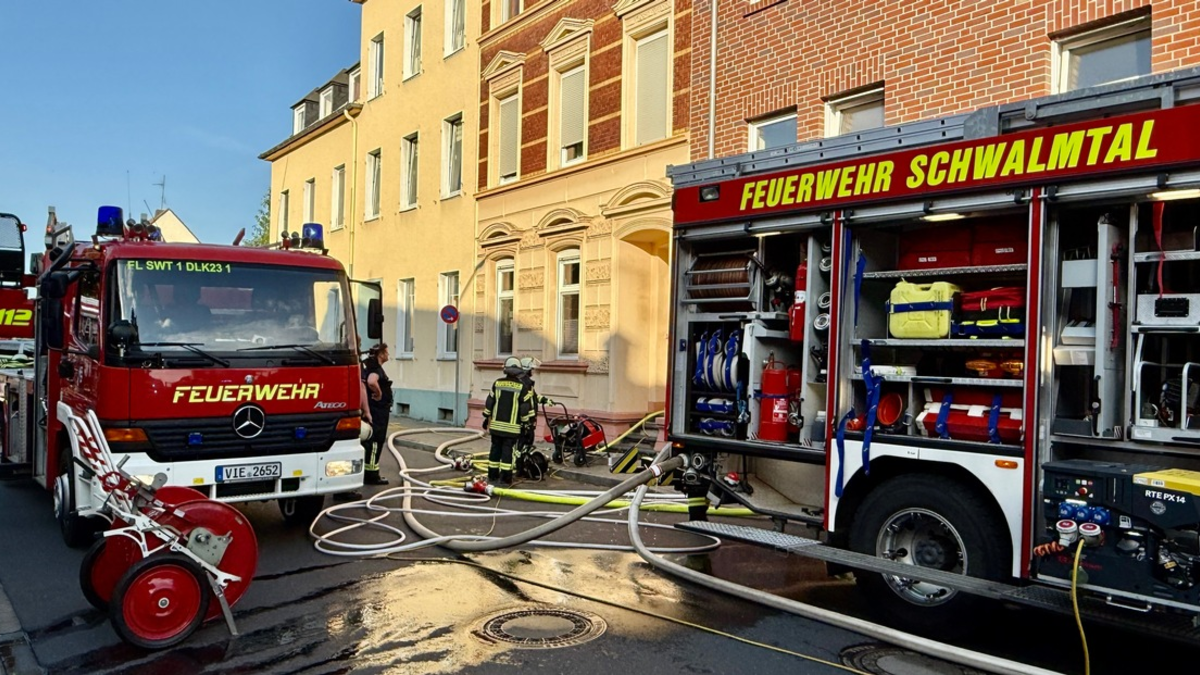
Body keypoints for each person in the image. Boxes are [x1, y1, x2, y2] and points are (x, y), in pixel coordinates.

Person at [482, 356, 535, 486]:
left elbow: (490, 402)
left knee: (494, 451)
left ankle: (492, 477)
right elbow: (524, 409)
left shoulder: (497, 383)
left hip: (495, 426)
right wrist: (526, 424)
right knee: (507, 452)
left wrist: (485, 417)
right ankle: (505, 479)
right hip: (511, 429)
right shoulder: (521, 387)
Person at [360, 343, 393, 485]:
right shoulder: (375, 369)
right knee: (376, 440)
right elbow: (372, 381)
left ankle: (368, 472)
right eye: (387, 352)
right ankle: (372, 475)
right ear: (381, 354)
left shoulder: (369, 366)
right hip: (378, 411)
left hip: (376, 409)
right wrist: (379, 393)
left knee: (371, 441)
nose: (388, 355)